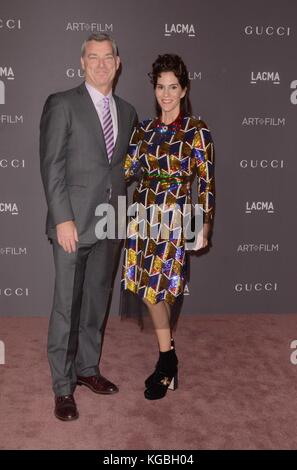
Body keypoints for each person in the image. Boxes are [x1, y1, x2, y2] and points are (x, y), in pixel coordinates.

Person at [40, 33, 137, 421]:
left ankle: (87, 369)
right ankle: (63, 387)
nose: (100, 64)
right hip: (73, 224)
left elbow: (120, 169)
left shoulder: (127, 111)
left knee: (96, 302)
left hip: (111, 223)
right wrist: (63, 218)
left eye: (107, 57)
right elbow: (52, 166)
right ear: (82, 62)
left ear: (118, 62)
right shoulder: (62, 104)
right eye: (92, 57)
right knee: (67, 306)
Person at [121, 54, 215, 400]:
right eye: (161, 86)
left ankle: (166, 363)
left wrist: (205, 224)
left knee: (160, 289)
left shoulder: (196, 130)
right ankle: (168, 359)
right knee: (146, 291)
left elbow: (205, 182)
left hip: (175, 216)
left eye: (173, 86)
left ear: (184, 88)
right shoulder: (143, 129)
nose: (166, 93)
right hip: (142, 215)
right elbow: (126, 171)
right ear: (155, 88)